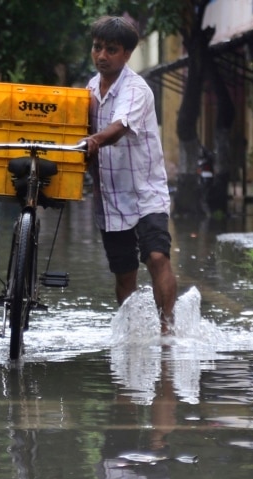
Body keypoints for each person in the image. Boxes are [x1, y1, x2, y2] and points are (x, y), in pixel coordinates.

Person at [81, 15, 177, 334]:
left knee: (157, 256)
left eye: (111, 49)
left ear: (126, 54)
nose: (102, 56)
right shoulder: (90, 89)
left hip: (146, 193)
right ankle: (132, 334)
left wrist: (93, 140)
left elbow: (119, 127)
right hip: (110, 198)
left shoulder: (136, 89)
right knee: (124, 273)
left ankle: (167, 332)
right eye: (97, 48)